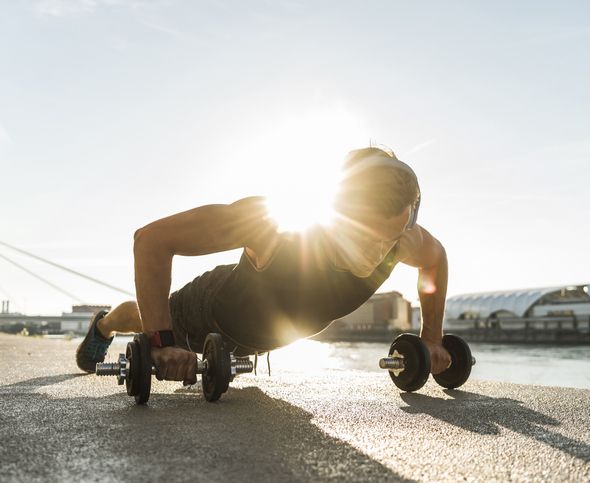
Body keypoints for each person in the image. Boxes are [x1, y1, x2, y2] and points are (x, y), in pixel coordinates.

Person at [76, 147, 451, 385]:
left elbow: (435, 260)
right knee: (142, 318)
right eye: (364, 236)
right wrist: (160, 344)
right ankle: (104, 325)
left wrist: (431, 337)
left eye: (389, 238)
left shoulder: (404, 237)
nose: (377, 252)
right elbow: (152, 240)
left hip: (253, 339)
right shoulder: (276, 224)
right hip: (207, 313)